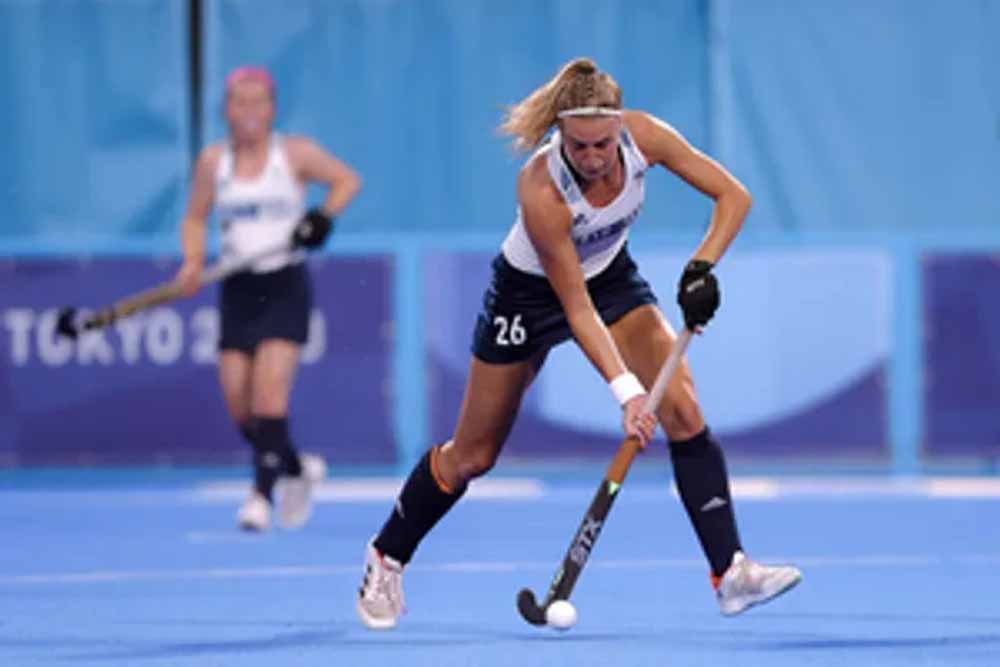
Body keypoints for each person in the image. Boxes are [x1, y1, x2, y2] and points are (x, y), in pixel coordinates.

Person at [355, 57, 801, 629]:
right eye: (578, 146)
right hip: (528, 296)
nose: (592, 158)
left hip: (611, 279)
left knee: (683, 409)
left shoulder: (646, 137)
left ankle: (730, 573)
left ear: (619, 127)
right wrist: (627, 394)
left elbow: (733, 197)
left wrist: (700, 269)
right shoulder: (541, 190)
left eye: (602, 144)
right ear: (560, 134)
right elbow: (576, 308)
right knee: (472, 456)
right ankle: (387, 555)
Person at [174, 66, 362, 532]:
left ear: (272, 108)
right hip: (237, 287)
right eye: (240, 102)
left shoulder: (294, 154)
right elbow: (195, 217)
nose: (250, 111)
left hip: (284, 285)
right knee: (241, 408)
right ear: (227, 109)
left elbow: (346, 181)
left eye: (259, 102)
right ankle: (295, 468)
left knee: (269, 396)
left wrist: (319, 219)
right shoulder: (213, 162)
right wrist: (193, 261)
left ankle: (260, 496)